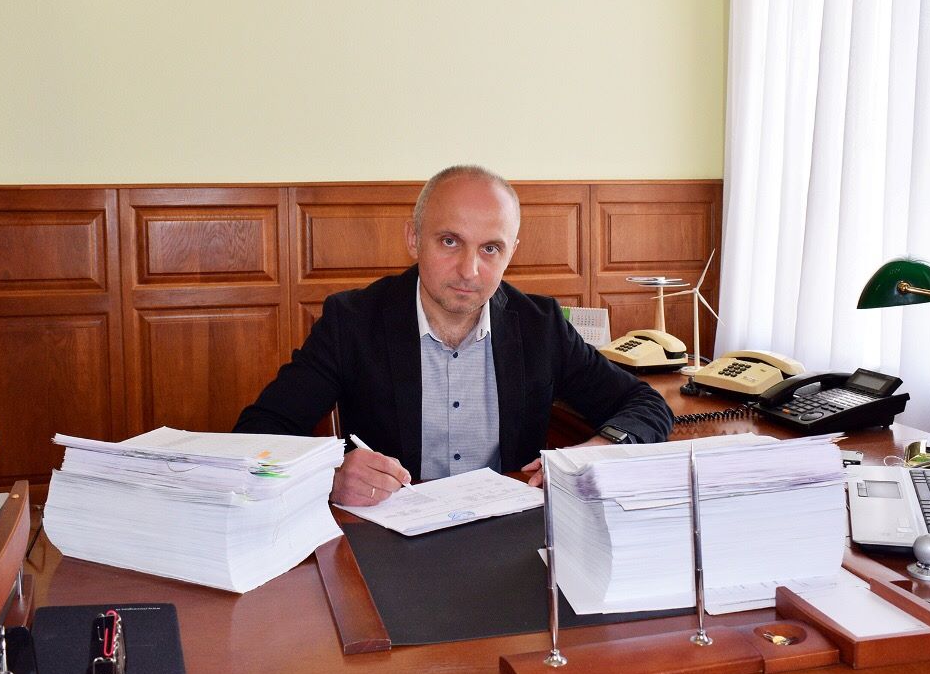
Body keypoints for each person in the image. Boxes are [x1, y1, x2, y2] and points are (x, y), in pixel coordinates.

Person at [235, 165, 673, 505]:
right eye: (449, 241)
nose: (470, 270)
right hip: (389, 543)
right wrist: (328, 479)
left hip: (506, 540)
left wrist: (595, 453)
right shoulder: (352, 322)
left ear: (511, 253)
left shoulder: (539, 325)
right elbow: (258, 434)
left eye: (490, 248)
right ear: (414, 238)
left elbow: (646, 404)